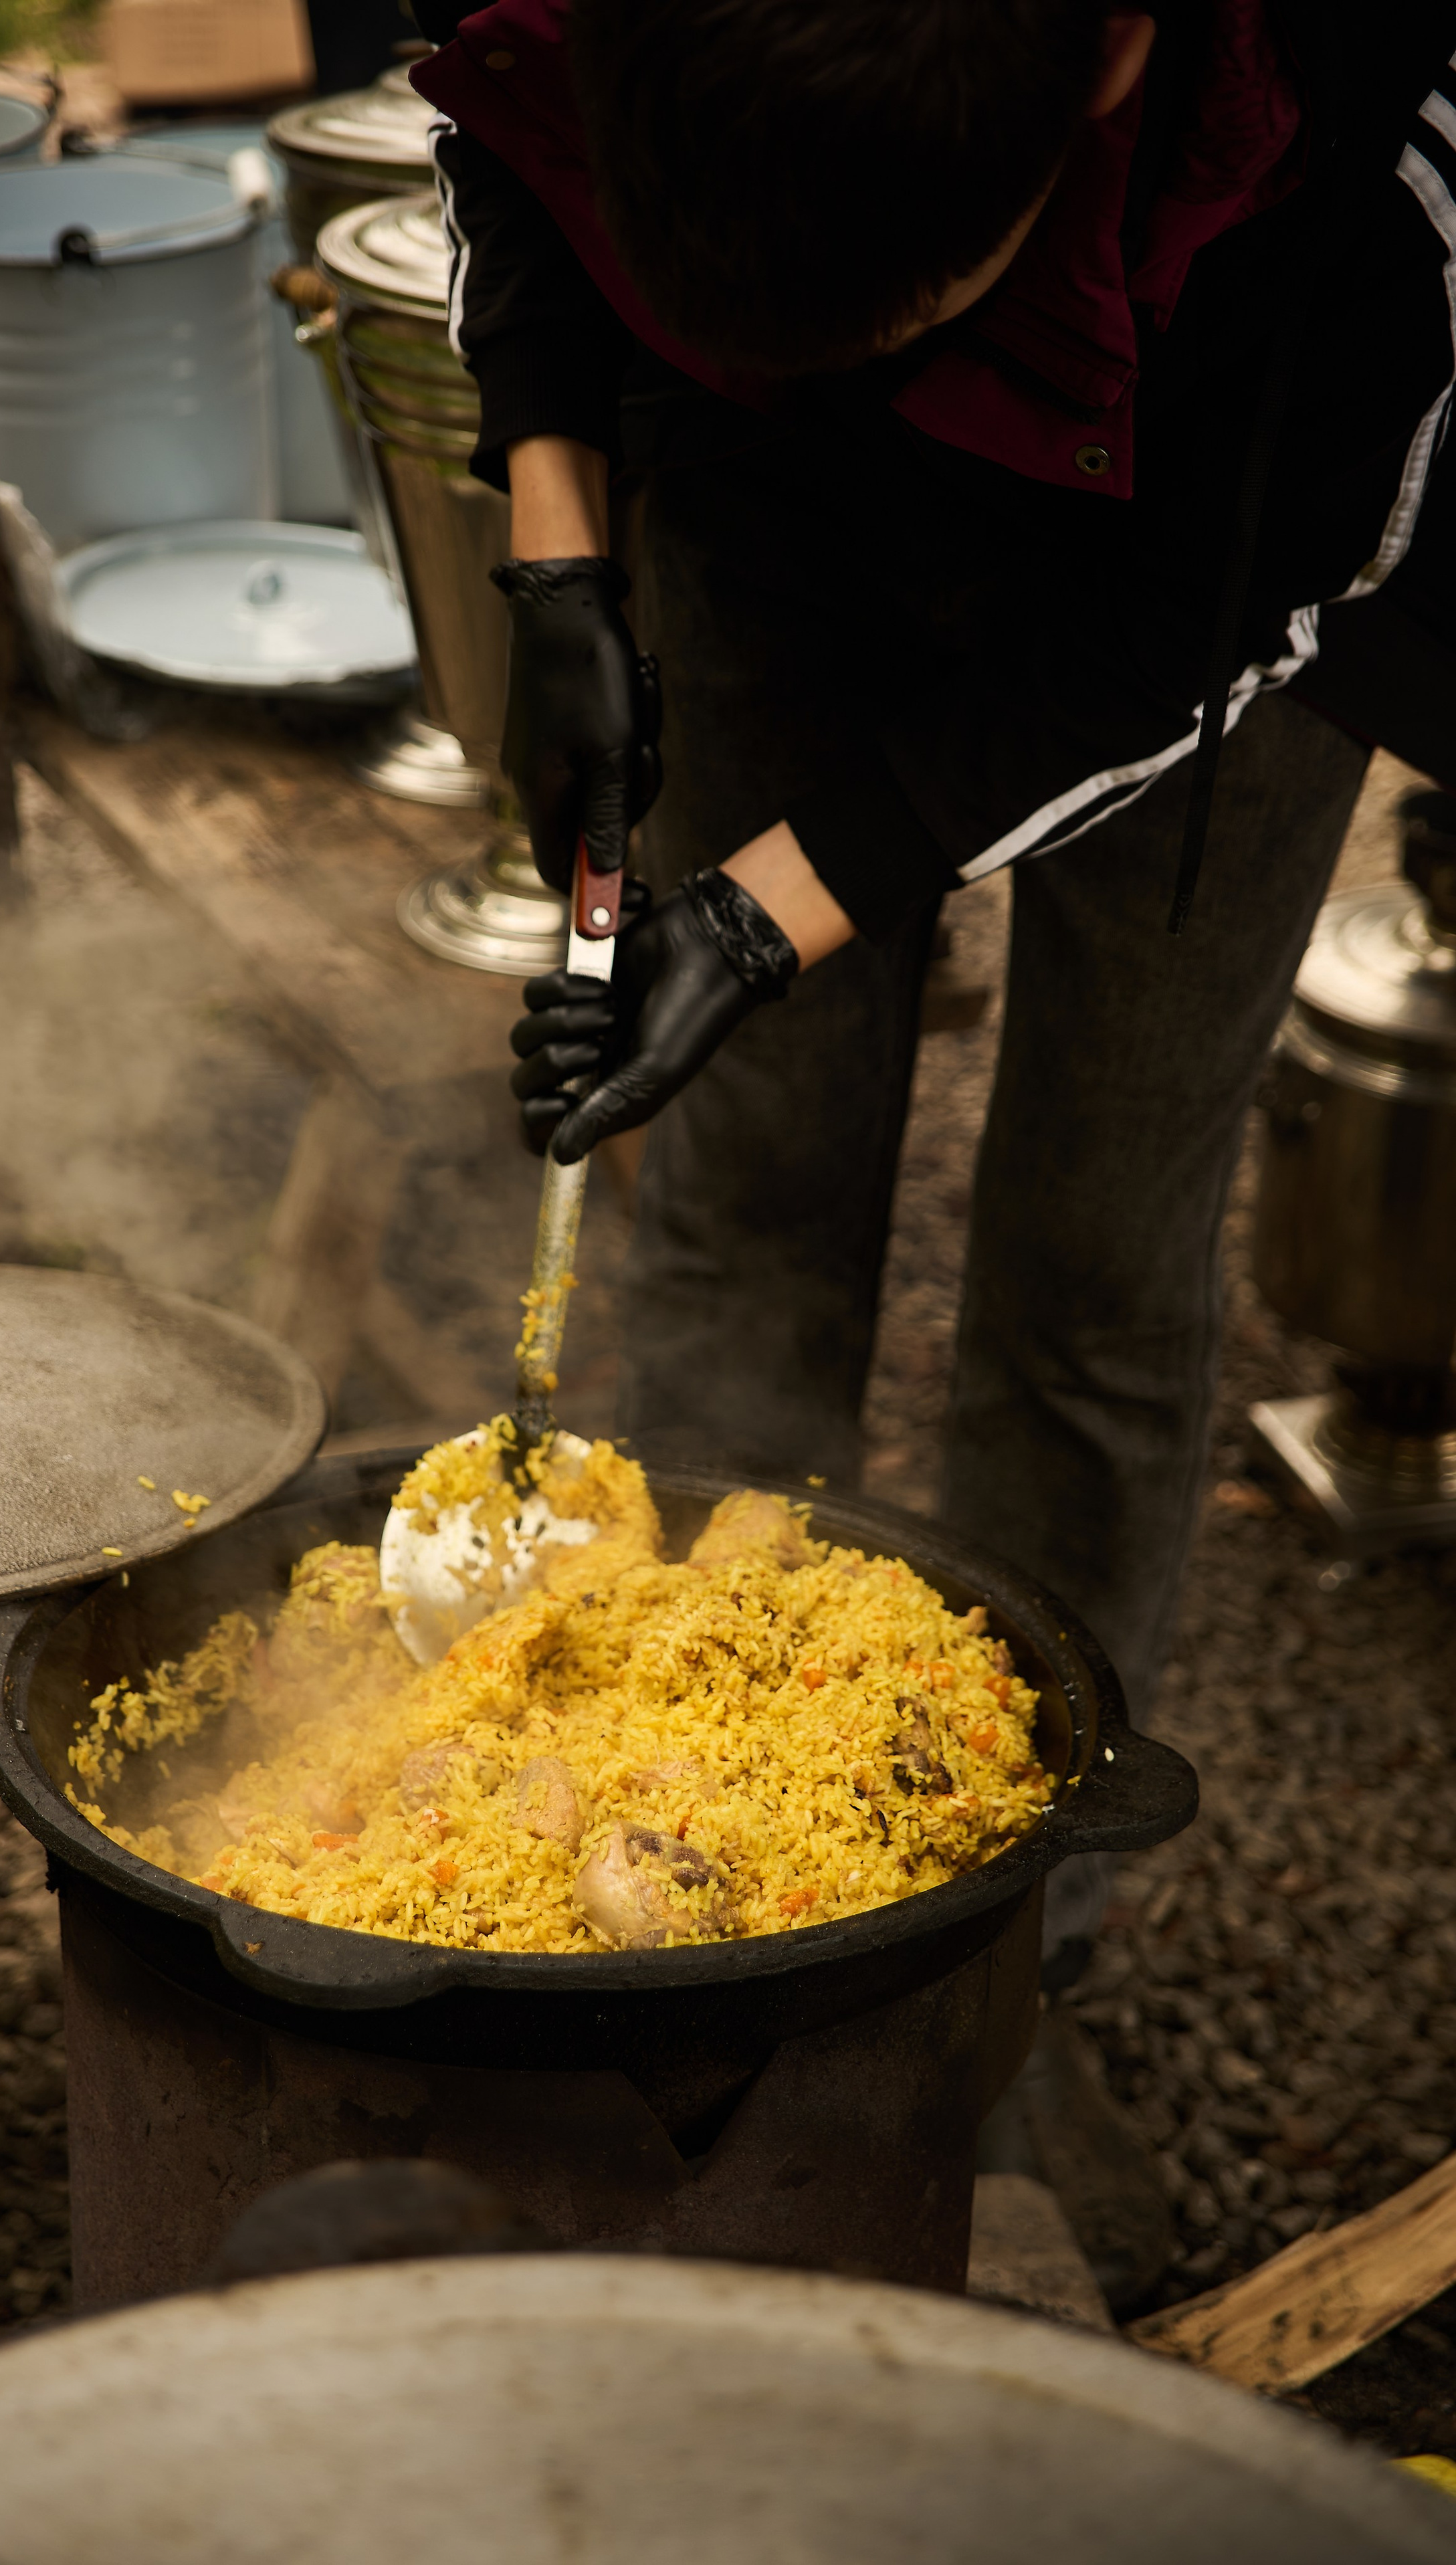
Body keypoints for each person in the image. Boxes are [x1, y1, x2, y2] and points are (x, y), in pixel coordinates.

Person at [403, 0, 1456, 1987]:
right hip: (748, 482)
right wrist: (558, 549)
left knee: (1096, 1262)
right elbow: (503, 119)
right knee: (738, 1192)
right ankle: (683, 1792)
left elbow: (1217, 623)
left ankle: (1002, 1932)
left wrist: (750, 918)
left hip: (1191, 554)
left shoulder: (1364, 142)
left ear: (1109, 64)